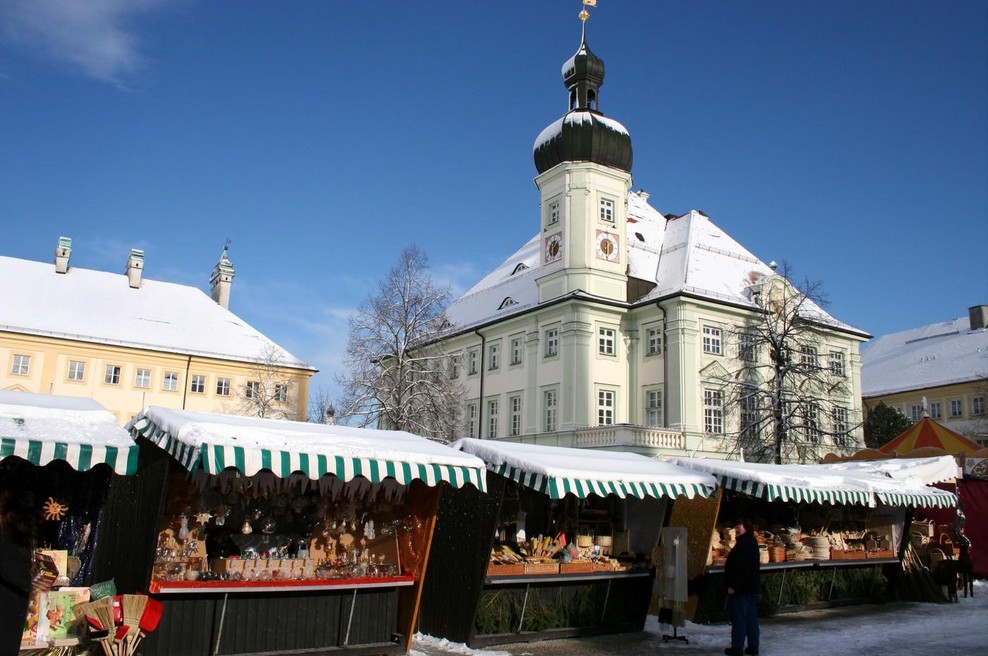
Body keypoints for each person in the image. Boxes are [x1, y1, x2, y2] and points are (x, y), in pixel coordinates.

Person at [724, 517, 760, 656]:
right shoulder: (750, 542)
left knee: (739, 619)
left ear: (746, 527)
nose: (737, 528)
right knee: (751, 618)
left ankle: (737, 648)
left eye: (739, 525)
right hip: (751, 589)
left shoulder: (744, 544)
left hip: (741, 590)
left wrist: (733, 585)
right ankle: (753, 646)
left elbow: (742, 569)